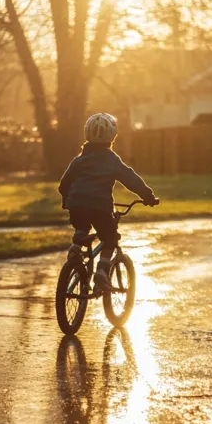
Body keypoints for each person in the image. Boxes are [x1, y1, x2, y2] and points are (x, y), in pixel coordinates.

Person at [59, 113, 158, 291]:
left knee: (82, 227)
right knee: (109, 237)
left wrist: (67, 200)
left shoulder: (79, 160)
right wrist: (148, 196)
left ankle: (76, 245)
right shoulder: (111, 160)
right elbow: (130, 179)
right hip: (100, 207)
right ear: (112, 136)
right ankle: (102, 271)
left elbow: (64, 183)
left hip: (77, 205)